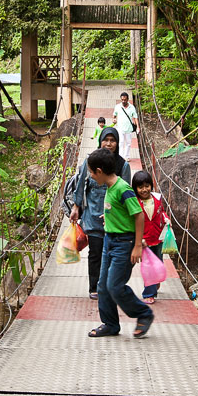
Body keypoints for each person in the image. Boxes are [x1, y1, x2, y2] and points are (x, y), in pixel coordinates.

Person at [86, 148, 155, 339]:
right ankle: (110, 324)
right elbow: (118, 209)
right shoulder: (110, 187)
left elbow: (138, 215)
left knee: (115, 285)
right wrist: (109, 217)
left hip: (124, 243)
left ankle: (143, 313)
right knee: (102, 286)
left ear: (99, 171)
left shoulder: (123, 189)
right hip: (110, 240)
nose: (91, 176)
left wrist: (137, 246)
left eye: (91, 172)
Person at [70, 127, 131, 299]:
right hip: (93, 216)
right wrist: (76, 207)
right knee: (96, 253)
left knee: (112, 254)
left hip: (114, 219)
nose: (109, 144)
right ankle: (94, 287)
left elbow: (126, 193)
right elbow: (80, 184)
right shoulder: (90, 161)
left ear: (118, 143)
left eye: (113, 140)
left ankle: (109, 286)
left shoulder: (122, 165)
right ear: (100, 141)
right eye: (106, 140)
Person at [132, 170, 170, 304]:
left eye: (147, 186)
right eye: (140, 187)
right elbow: (130, 219)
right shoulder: (134, 203)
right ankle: (149, 293)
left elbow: (162, 212)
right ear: (135, 188)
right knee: (148, 266)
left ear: (151, 186)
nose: (144, 190)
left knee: (158, 262)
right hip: (144, 240)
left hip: (158, 237)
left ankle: (156, 282)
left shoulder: (157, 199)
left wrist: (166, 219)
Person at [113, 92, 139, 160]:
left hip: (128, 128)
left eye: (125, 100)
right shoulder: (118, 106)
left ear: (128, 99)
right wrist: (114, 119)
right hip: (120, 127)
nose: (123, 101)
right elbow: (114, 114)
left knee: (128, 143)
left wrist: (138, 127)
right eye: (122, 100)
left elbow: (135, 117)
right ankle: (121, 157)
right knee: (121, 142)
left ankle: (126, 156)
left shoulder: (132, 107)